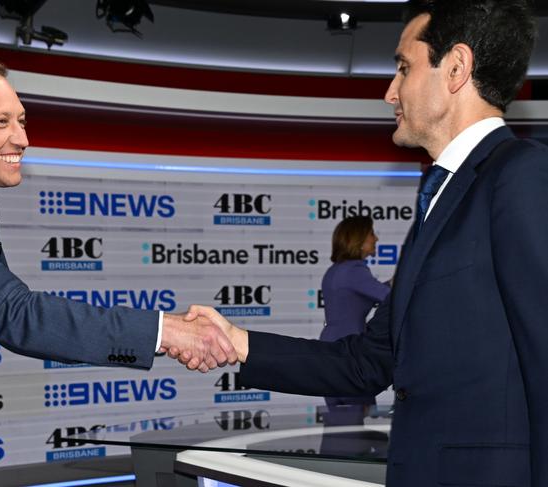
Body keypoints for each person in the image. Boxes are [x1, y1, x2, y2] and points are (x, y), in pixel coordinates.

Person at [185, 1, 548, 485]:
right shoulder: (442, 198)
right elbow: (366, 364)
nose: (389, 92)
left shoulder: (520, 176)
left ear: (456, 68)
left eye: (403, 68)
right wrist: (236, 343)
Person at [0, 56, 236, 487]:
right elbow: (15, 313)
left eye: (21, 121)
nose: (21, 138)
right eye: (0, 122)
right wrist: (166, 332)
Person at [320, 216, 389, 422]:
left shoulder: (337, 270)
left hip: (331, 349)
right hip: (350, 352)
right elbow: (388, 297)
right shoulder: (355, 271)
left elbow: (373, 292)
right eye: (371, 234)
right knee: (357, 425)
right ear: (358, 239)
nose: (376, 239)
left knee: (340, 424)